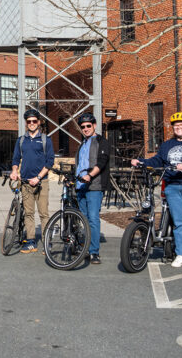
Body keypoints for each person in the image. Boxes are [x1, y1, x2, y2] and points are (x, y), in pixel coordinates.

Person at [131, 111, 182, 267]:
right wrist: (141, 161)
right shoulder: (167, 145)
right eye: (176, 125)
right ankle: (181, 254)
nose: (179, 127)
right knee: (179, 222)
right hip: (172, 186)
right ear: (172, 128)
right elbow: (157, 160)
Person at [10, 108, 54, 253]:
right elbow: (16, 158)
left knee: (43, 214)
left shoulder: (45, 140)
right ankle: (30, 241)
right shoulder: (21, 140)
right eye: (29, 121)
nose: (32, 123)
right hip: (26, 183)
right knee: (28, 213)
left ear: (39, 122)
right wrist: (15, 171)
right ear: (26, 123)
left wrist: (38, 177)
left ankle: (47, 242)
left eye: (34, 121)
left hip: (42, 182)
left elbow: (49, 162)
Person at [75, 113, 110, 265]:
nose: (86, 128)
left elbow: (102, 162)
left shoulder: (101, 141)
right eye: (83, 127)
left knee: (94, 219)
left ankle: (94, 252)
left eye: (88, 125)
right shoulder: (82, 144)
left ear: (94, 125)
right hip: (80, 187)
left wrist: (90, 175)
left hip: (94, 186)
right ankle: (87, 248)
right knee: (85, 219)